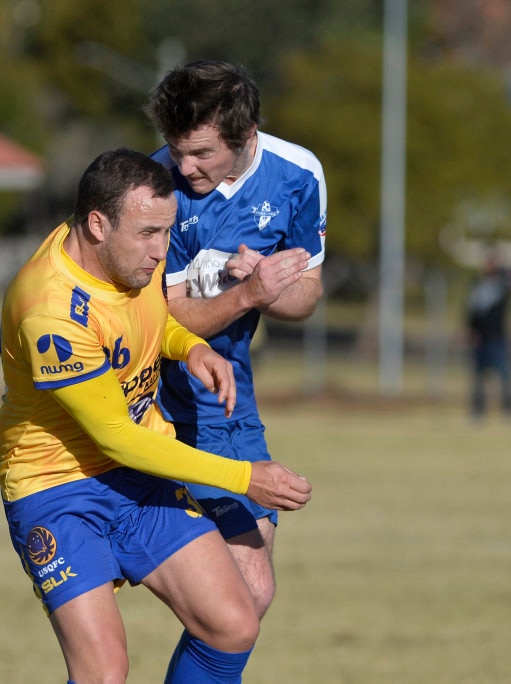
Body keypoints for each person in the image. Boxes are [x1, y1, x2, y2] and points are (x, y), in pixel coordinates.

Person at [0, 148, 313, 683]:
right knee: (104, 672)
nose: (161, 251)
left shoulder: (125, 256)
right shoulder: (50, 311)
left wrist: (189, 346)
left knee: (231, 623)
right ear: (97, 224)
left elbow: (150, 319)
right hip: (58, 491)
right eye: (148, 233)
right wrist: (244, 477)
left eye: (167, 232)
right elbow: (117, 437)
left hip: (137, 481)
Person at [144, 60, 327, 620]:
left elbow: (309, 293)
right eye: (175, 149)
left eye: (201, 153)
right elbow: (164, 322)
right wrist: (247, 295)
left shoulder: (297, 175)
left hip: (225, 395)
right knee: (234, 597)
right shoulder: (154, 187)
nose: (184, 166)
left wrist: (271, 286)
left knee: (252, 591)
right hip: (146, 392)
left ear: (246, 137)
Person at [466, 252, 511, 419]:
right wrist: (471, 330)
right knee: (479, 376)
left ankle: (509, 410)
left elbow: (502, 309)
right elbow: (471, 312)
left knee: (504, 375)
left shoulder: (501, 286)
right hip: (480, 339)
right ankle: (478, 410)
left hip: (497, 337)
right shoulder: (477, 287)